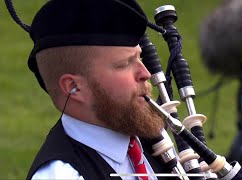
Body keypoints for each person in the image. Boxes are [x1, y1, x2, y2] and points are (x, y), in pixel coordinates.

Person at [25, 0, 167, 179]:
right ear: (74, 88)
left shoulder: (144, 134)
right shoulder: (63, 175)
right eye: (124, 64)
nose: (145, 73)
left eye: (140, 57)